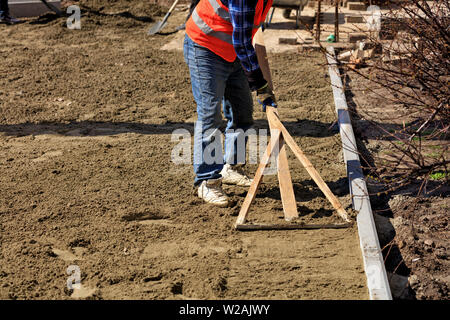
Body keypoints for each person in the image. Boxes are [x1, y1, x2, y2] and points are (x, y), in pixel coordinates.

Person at [183, 0, 276, 207]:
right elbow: (243, 40)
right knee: (210, 115)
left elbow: (252, 31)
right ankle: (207, 181)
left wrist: (262, 81)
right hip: (205, 46)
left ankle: (232, 166)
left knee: (242, 111)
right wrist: (259, 84)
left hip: (233, 49)